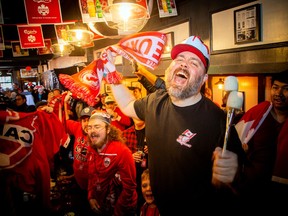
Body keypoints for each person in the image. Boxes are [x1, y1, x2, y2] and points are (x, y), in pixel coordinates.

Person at [109, 35, 243, 214]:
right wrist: (110, 72)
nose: (184, 64)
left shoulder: (218, 121)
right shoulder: (156, 100)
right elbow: (127, 106)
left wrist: (232, 173)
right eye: (179, 59)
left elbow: (241, 180)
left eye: (194, 62)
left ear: (204, 78)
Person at [235, 71, 288, 213]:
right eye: (275, 87)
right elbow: (234, 141)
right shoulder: (258, 113)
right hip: (250, 189)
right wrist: (241, 151)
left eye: (286, 89)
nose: (279, 93)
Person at [87, 111, 137, 216]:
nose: (92, 131)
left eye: (97, 126)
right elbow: (91, 176)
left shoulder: (122, 152)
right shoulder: (91, 148)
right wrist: (91, 196)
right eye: (89, 127)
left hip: (122, 207)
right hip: (102, 204)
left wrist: (118, 211)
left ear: (108, 129)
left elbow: (129, 187)